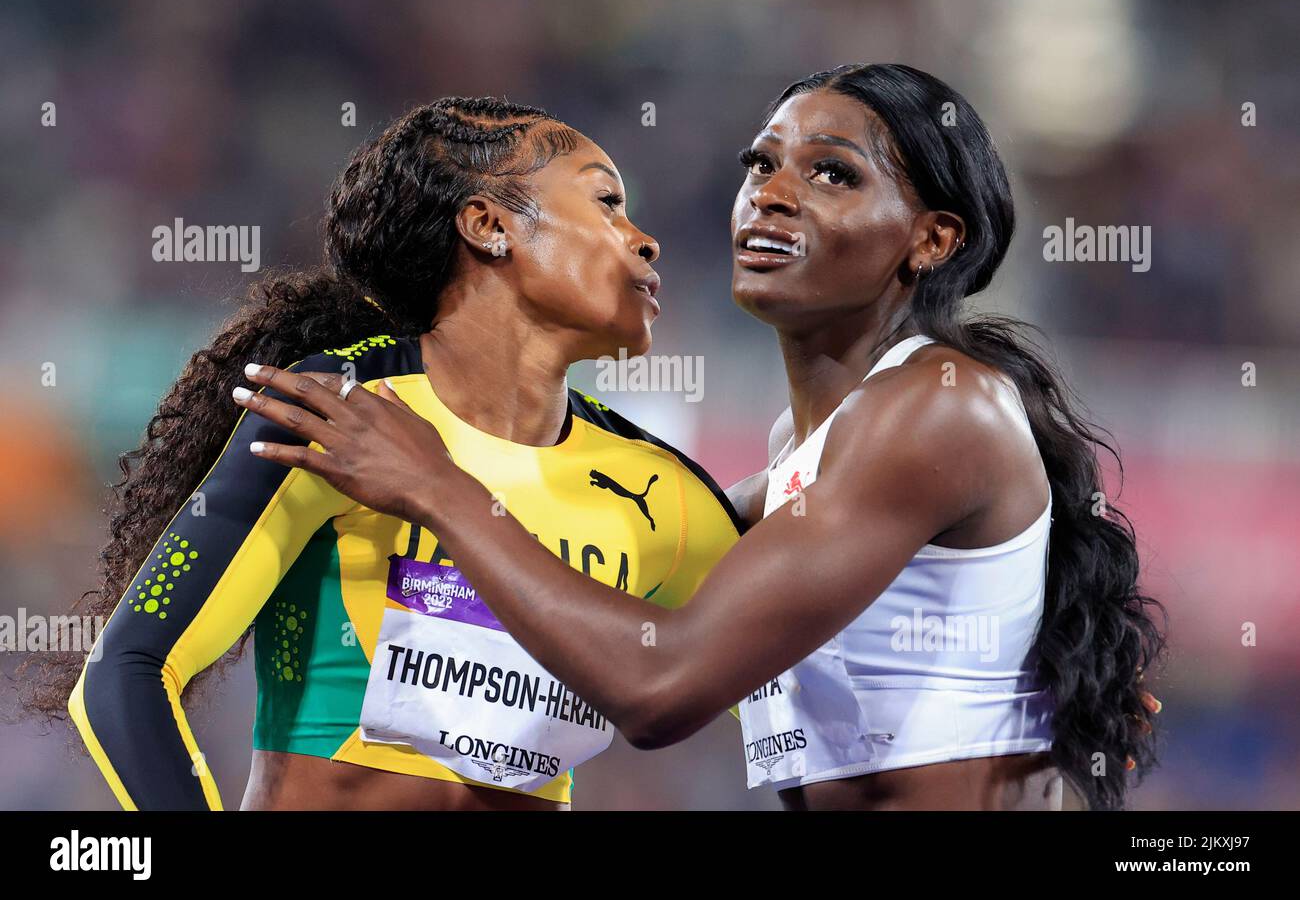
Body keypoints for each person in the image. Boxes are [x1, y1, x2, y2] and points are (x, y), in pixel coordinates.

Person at [236, 65, 1166, 810]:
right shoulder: (795, 465)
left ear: (930, 240)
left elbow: (660, 684)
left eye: (832, 173)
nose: (773, 195)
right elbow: (601, 609)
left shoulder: (935, 406)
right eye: (761, 166)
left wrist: (434, 487)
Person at [28, 96, 742, 809]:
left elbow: (803, 704)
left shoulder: (660, 488)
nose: (644, 240)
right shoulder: (342, 409)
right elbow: (127, 672)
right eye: (607, 202)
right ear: (490, 225)